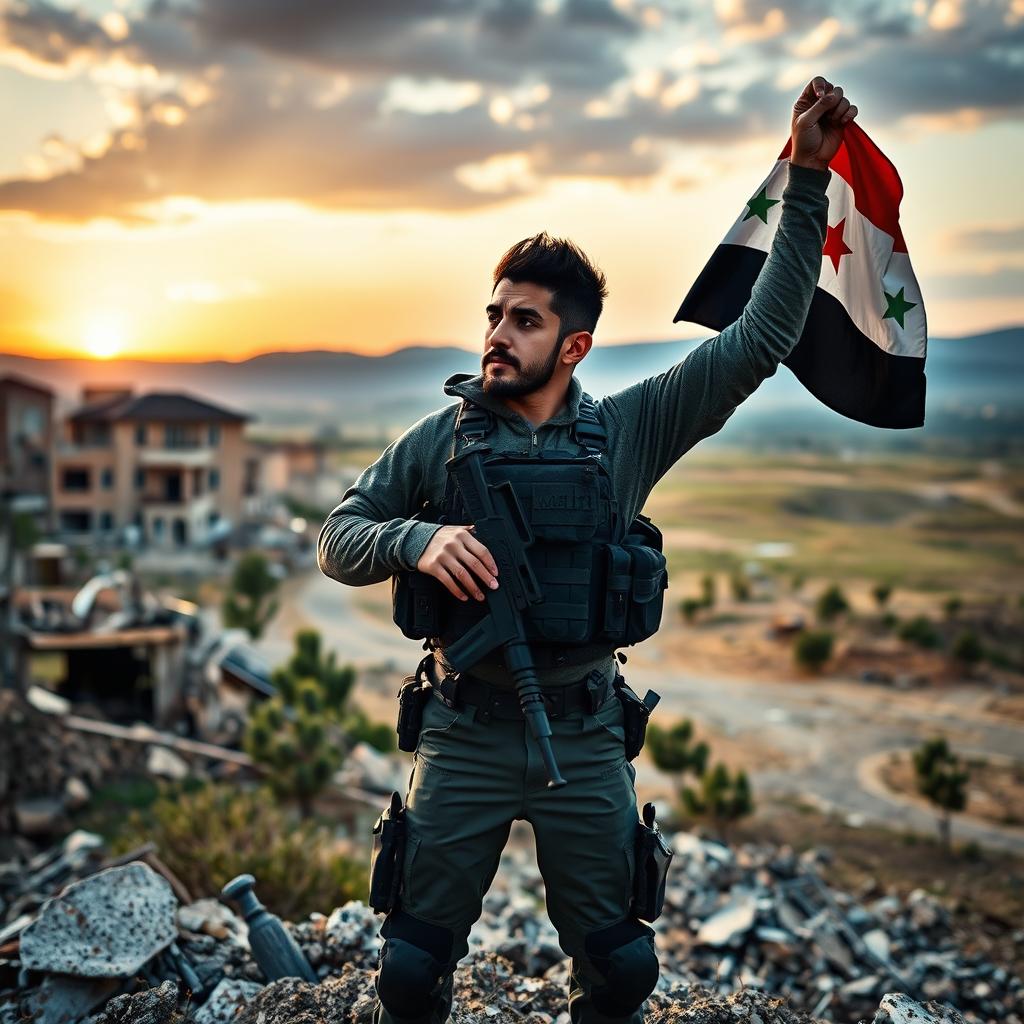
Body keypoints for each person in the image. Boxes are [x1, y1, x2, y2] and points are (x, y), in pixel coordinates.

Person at [317, 75, 857, 1024]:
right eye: (494, 314)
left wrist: (806, 177)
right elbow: (338, 539)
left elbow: (760, 338)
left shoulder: (628, 433)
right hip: (464, 730)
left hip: (584, 730)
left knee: (621, 969)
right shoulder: (440, 441)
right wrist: (416, 536)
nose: (497, 335)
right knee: (407, 973)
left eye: (524, 320)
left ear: (574, 346)